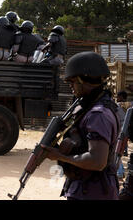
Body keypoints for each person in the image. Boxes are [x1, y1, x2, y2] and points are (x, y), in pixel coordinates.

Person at [41, 51, 120, 200]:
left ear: (84, 80)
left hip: (93, 192)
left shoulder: (98, 114)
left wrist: (62, 157)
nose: (70, 86)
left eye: (72, 81)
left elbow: (97, 161)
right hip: (85, 189)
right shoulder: (89, 108)